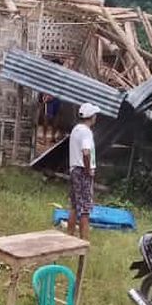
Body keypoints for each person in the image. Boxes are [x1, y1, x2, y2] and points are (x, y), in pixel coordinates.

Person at [68, 102, 100, 240]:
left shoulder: (76, 129)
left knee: (75, 206)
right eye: (95, 115)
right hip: (82, 171)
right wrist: (88, 171)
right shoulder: (86, 132)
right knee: (85, 209)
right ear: (91, 116)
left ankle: (68, 237)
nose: (96, 117)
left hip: (74, 169)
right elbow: (86, 152)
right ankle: (84, 242)